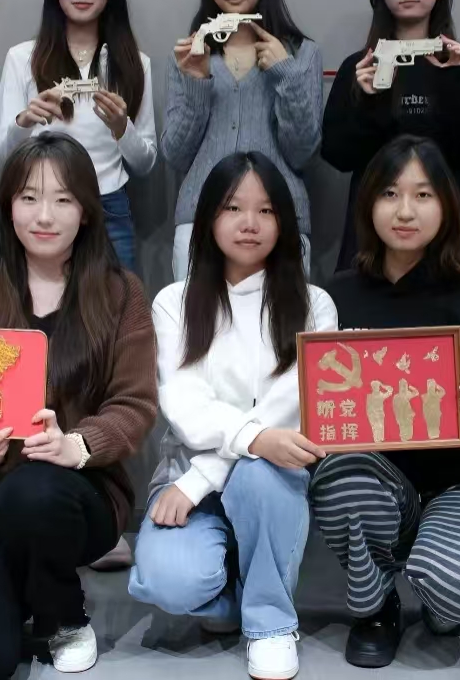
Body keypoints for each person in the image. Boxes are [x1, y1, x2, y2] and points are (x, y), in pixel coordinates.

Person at [0, 134, 158, 678]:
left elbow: (135, 404)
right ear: (9, 208)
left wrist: (76, 444)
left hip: (73, 496)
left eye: (63, 199)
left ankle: (63, 614)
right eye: (29, 197)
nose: (44, 215)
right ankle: (16, 592)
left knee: (32, 490)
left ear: (87, 210)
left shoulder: (121, 294)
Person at [310, 135, 460, 668]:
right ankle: (376, 607)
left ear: (448, 206)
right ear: (368, 204)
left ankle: (445, 603)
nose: (405, 211)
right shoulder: (334, 298)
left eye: (423, 195)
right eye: (389, 193)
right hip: (380, 479)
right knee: (342, 475)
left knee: (459, 587)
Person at [129, 152, 338, 680]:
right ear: (208, 218)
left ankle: (270, 623)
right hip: (187, 468)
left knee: (261, 473)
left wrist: (207, 476)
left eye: (266, 211)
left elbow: (290, 407)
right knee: (168, 581)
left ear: (283, 223)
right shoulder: (174, 302)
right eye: (233, 207)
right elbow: (185, 402)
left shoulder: (315, 305)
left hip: (266, 474)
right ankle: (234, 590)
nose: (250, 223)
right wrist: (207, 470)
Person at [321, 0, 460, 279]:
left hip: (450, 232)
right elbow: (337, 155)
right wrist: (370, 99)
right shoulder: (359, 67)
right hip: (375, 233)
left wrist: (456, 83)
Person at [161, 0, 323, 281]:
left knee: (284, 317)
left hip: (280, 218)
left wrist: (285, 74)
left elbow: (304, 153)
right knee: (198, 317)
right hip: (200, 217)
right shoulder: (189, 53)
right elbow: (175, 155)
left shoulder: (301, 53)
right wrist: (197, 81)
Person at [0, 0, 156, 272]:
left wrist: (121, 128)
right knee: (35, 302)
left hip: (109, 208)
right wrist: (24, 122)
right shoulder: (22, 59)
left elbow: (146, 163)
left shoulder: (134, 64)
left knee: (117, 304)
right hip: (41, 208)